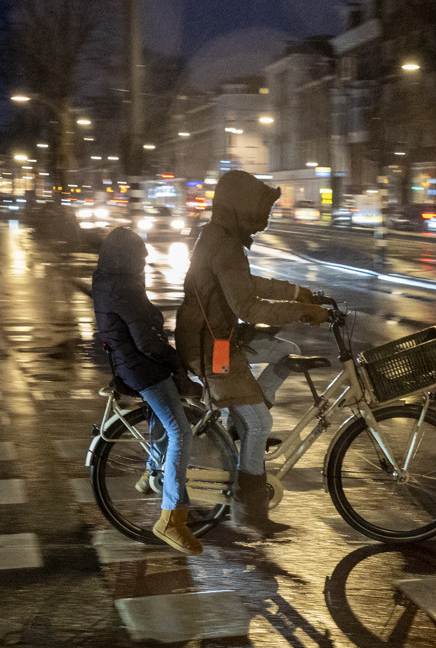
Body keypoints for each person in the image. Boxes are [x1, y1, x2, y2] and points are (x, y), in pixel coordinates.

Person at [175, 170, 328, 533]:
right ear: (239, 208)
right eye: (260, 209)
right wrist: (303, 311)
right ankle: (252, 513)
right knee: (261, 422)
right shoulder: (223, 244)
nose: (265, 219)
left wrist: (295, 293)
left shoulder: (219, 237)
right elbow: (248, 306)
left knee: (285, 351)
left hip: (219, 337)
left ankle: (239, 428)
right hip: (210, 347)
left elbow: (246, 284)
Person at [92, 227, 203, 555]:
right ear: (127, 259)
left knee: (163, 420)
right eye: (139, 260)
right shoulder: (123, 286)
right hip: (143, 369)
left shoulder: (104, 279)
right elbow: (147, 341)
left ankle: (153, 471)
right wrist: (176, 362)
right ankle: (172, 518)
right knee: (181, 431)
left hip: (129, 365)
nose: (142, 265)